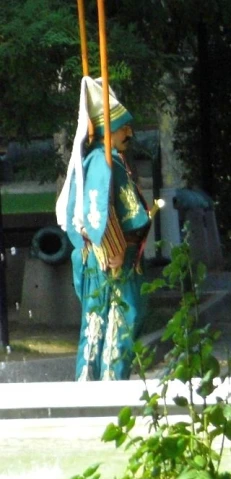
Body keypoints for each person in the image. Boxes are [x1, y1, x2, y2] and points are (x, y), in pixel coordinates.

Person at [56, 77, 150, 381]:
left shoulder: (103, 159)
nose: (129, 133)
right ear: (108, 128)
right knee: (117, 321)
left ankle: (93, 386)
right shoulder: (102, 161)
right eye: (122, 127)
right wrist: (115, 246)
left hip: (105, 256)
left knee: (98, 323)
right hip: (112, 257)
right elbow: (102, 209)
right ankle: (109, 390)